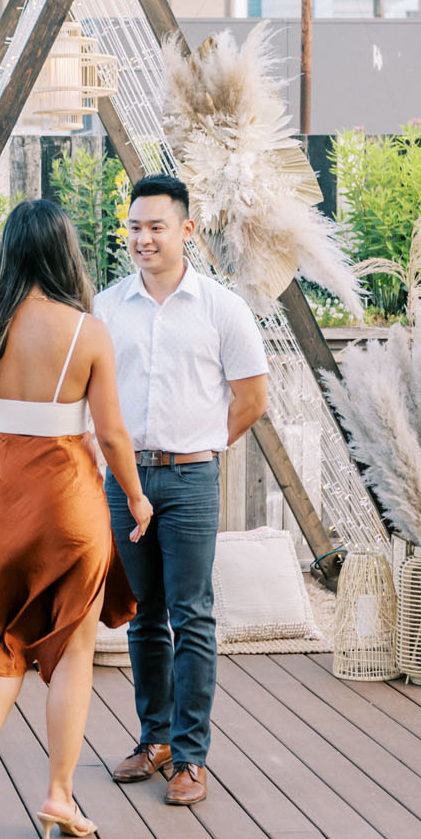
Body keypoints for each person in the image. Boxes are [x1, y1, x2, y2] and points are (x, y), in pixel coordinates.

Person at [0, 198, 153, 839]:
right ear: (65, 253)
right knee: (73, 649)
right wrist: (137, 498)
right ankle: (59, 794)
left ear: (9, 253)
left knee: (5, 636)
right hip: (70, 503)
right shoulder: (88, 332)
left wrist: (13, 416)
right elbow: (112, 434)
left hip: (5, 500)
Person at [94, 173, 269, 807]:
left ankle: (192, 758)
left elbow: (252, 398)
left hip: (193, 476)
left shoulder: (222, 308)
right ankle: (155, 739)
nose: (142, 238)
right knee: (143, 613)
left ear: (186, 230)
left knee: (192, 614)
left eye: (156, 227)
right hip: (125, 477)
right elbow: (95, 400)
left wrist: (204, 446)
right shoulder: (107, 307)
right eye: (135, 227)